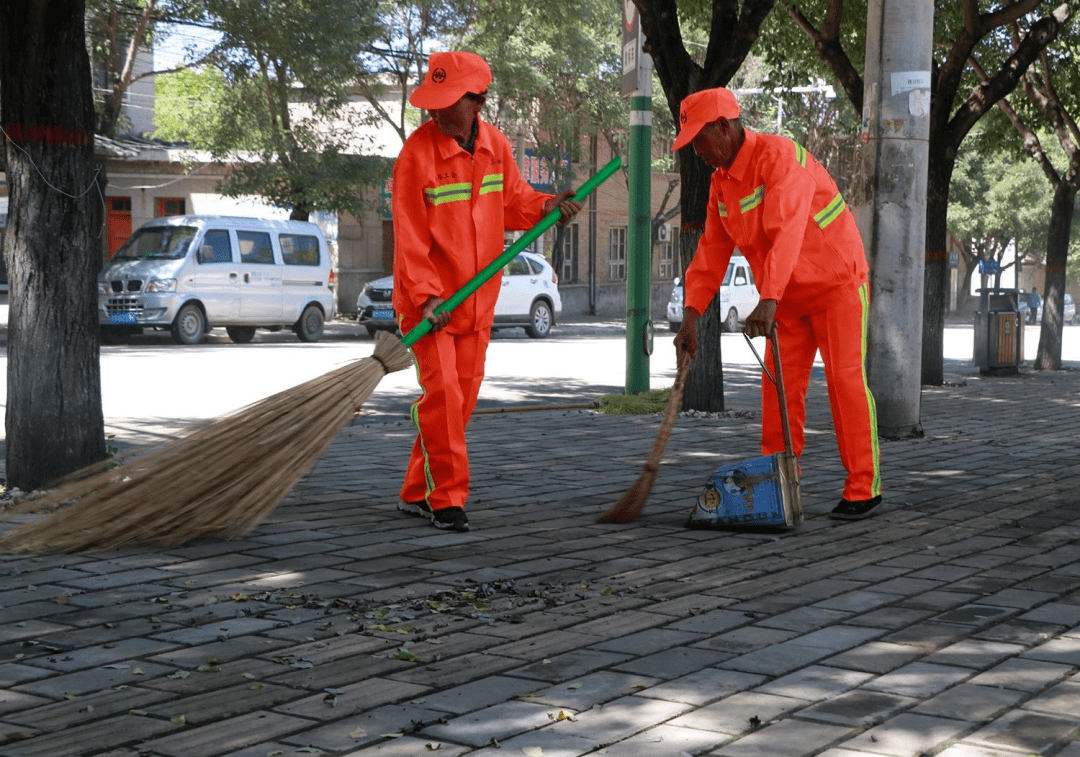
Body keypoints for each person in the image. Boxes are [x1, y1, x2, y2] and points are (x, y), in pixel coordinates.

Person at [671, 87, 882, 521]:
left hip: (837, 286)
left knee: (845, 383)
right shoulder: (721, 184)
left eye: (699, 140)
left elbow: (787, 233)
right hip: (785, 299)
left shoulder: (780, 158)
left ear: (724, 127)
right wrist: (691, 315)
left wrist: (767, 299)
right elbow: (711, 252)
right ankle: (780, 484)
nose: (696, 152)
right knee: (778, 394)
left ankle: (864, 488)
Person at [391, 51, 581, 532]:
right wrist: (427, 296)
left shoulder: (495, 145)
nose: (435, 111)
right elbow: (409, 236)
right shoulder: (416, 154)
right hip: (431, 305)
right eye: (432, 102)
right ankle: (447, 499)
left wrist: (547, 206)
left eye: (447, 101)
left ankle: (416, 491)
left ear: (477, 102)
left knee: (459, 403)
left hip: (477, 302)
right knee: (443, 398)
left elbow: (513, 203)